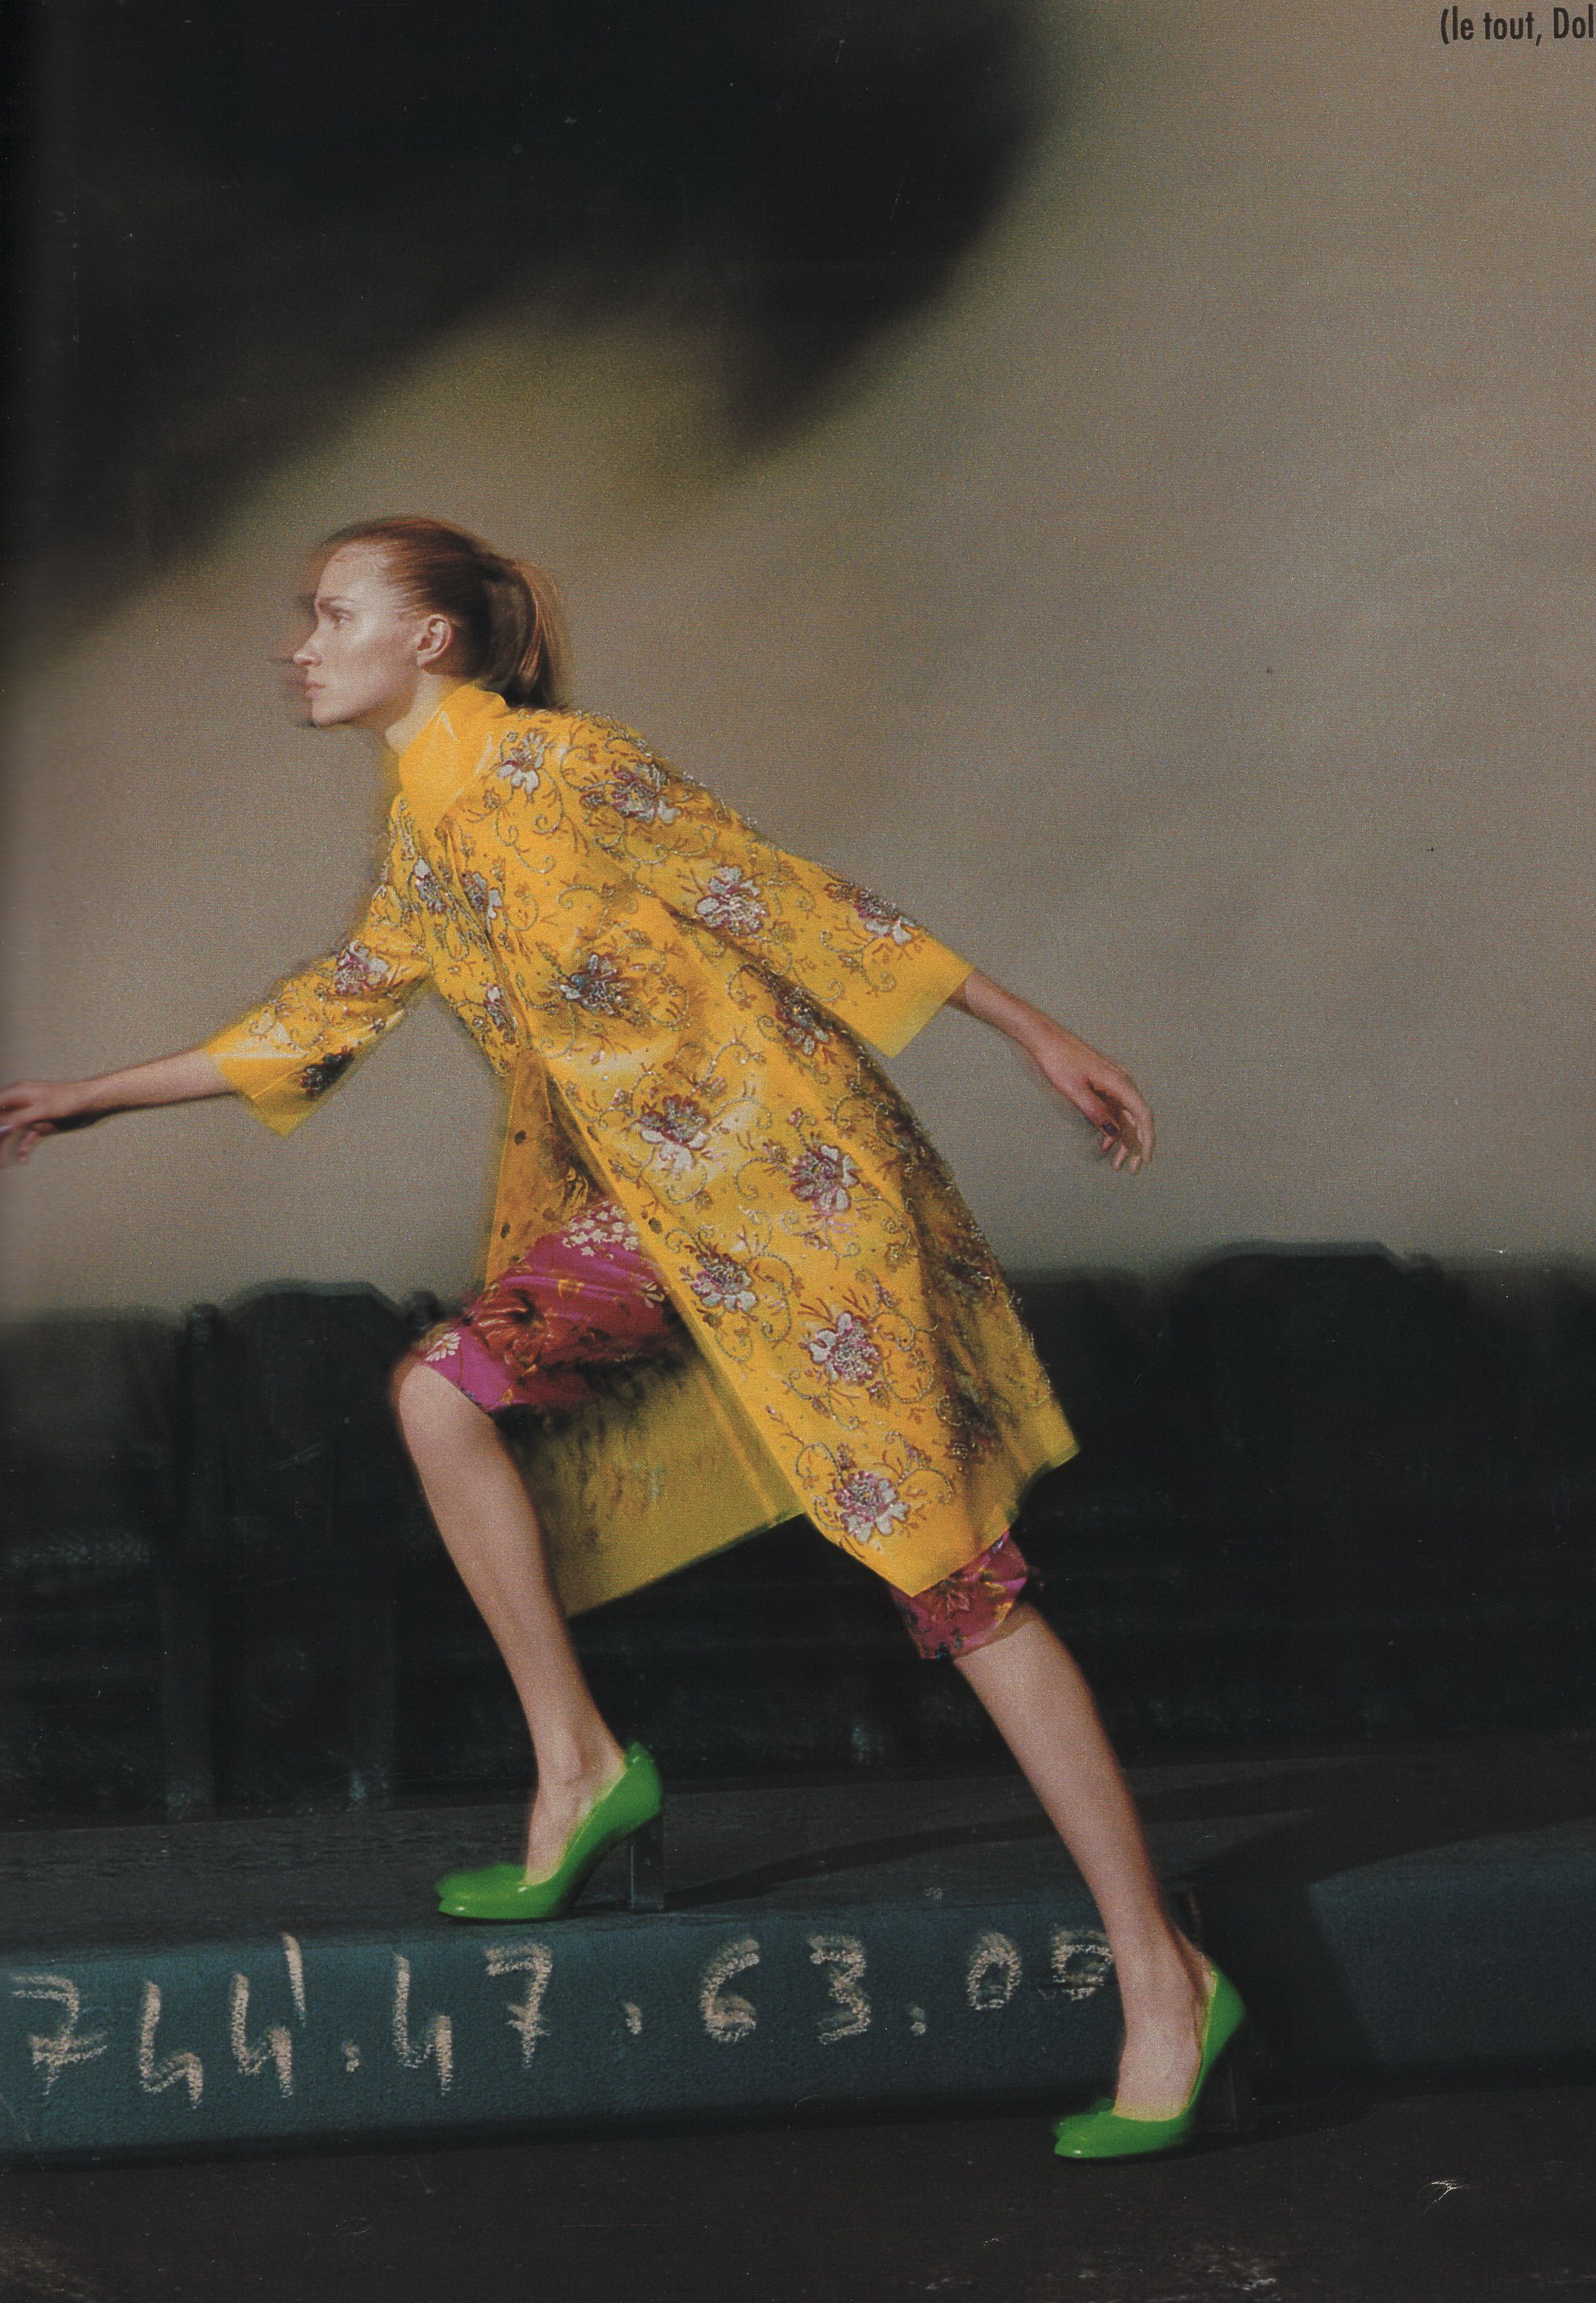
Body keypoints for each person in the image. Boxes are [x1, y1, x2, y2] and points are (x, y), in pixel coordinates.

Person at [0, 515, 1242, 2157]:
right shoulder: (428, 826)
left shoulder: (567, 768)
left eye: (334, 614)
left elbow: (787, 899)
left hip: (797, 1196)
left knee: (950, 1579)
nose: (299, 645)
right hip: (652, 1215)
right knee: (441, 1395)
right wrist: (88, 1096)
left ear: (428, 639)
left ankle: (1163, 1978)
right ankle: (579, 1765)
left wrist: (1032, 1029)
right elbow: (329, 1009)